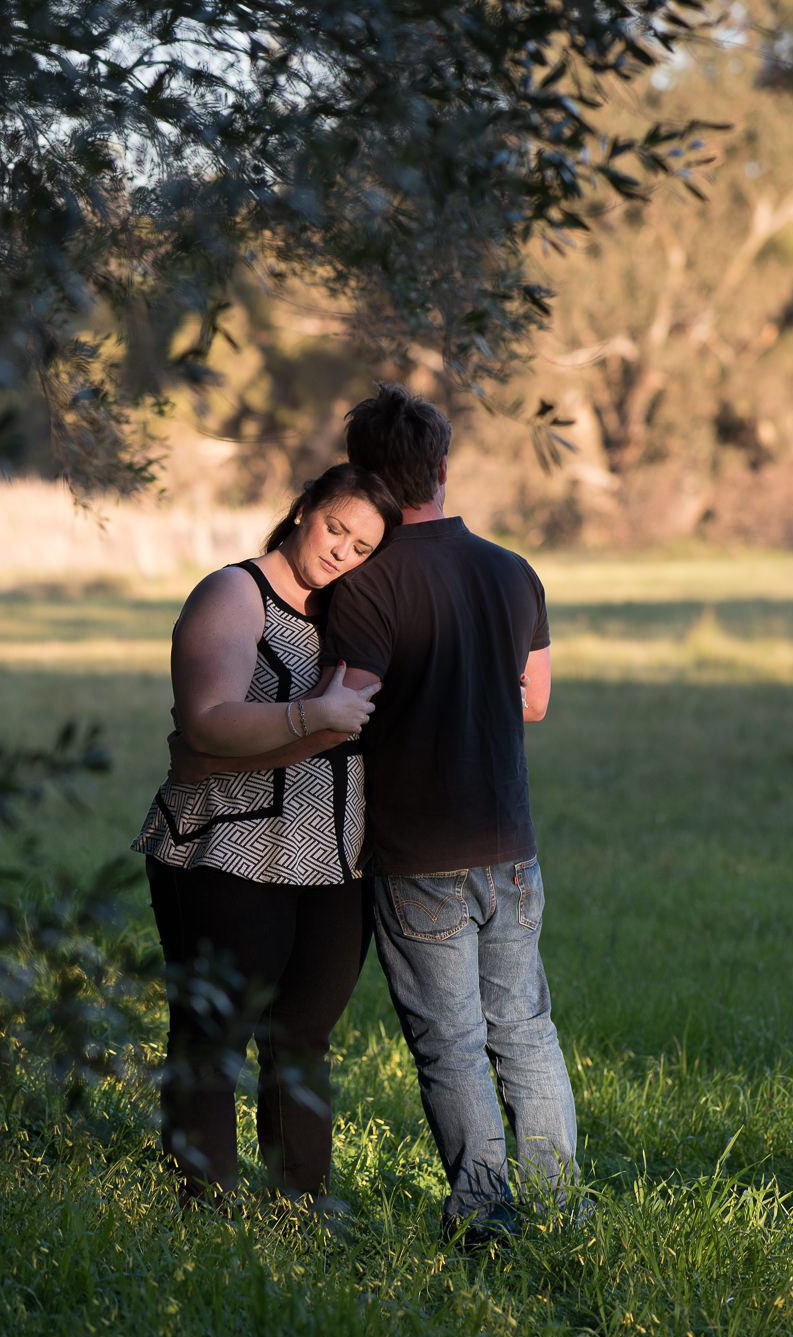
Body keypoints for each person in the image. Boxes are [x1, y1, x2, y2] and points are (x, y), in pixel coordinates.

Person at [323, 383, 578, 1244]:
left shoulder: (367, 585)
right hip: (510, 846)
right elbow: (534, 701)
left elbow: (344, 709)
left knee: (453, 1043)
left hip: (416, 851)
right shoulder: (514, 570)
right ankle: (556, 1203)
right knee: (525, 1028)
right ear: (441, 468)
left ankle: (485, 1214)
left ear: (370, 477)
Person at [131, 462, 400, 1205]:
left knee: (302, 1040)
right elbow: (208, 719)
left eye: (361, 546)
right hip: (226, 850)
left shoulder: (356, 611)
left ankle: (299, 1211)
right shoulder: (234, 591)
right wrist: (313, 716)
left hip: (332, 861)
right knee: (212, 1036)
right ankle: (200, 1210)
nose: (341, 550)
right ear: (305, 507)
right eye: (335, 527)